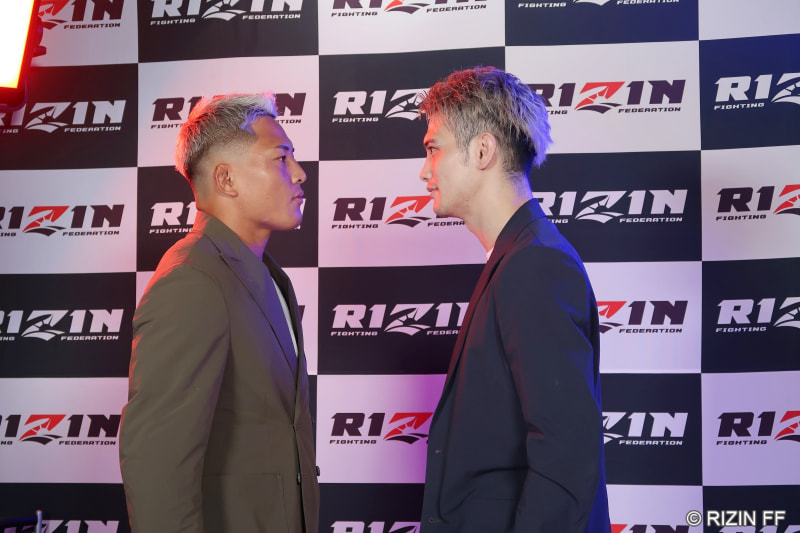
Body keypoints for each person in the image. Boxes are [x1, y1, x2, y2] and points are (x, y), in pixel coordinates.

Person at [417, 67, 610, 533]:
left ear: (483, 151)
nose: (424, 171)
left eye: (433, 149)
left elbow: (566, 453)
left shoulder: (534, 264)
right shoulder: (518, 257)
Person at [119, 93, 319, 533]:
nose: (300, 173)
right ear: (226, 179)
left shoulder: (270, 277)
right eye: (281, 158)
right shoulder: (192, 280)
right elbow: (157, 462)